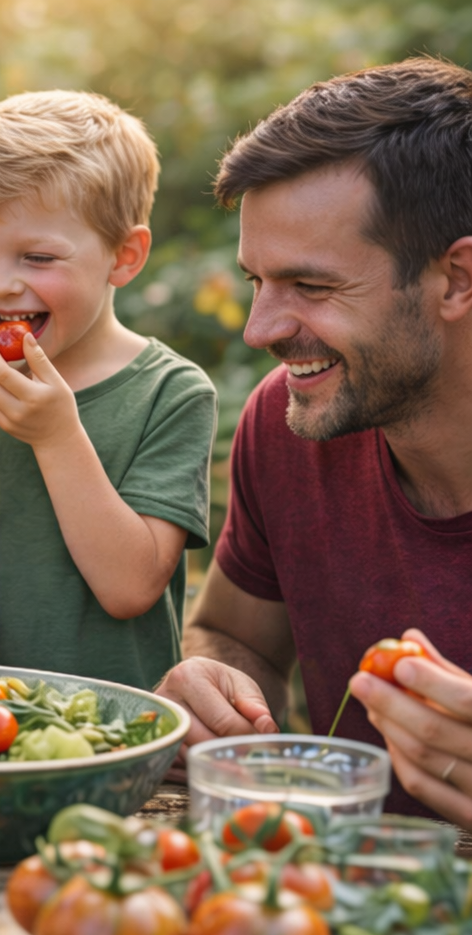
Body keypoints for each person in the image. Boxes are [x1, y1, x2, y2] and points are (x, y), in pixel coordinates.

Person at [155, 58, 472, 827]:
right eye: (256, 281)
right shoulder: (288, 422)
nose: (260, 329)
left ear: (457, 279)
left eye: (313, 287)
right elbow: (233, 630)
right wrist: (212, 684)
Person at [0, 90, 217, 689]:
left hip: (111, 734)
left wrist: (58, 435)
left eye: (37, 257)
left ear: (125, 256)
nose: (2, 287)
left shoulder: (171, 393)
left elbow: (130, 587)